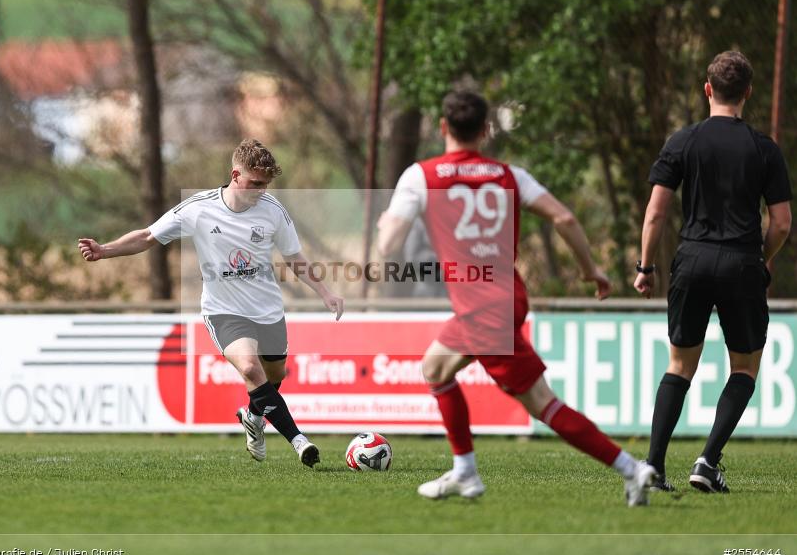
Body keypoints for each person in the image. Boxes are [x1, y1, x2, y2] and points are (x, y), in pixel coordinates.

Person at [377, 90, 657, 506]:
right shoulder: (509, 175)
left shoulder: (422, 176)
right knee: (435, 367)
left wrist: (387, 225)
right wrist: (589, 270)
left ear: (442, 128)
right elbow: (564, 216)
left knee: (543, 404)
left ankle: (632, 469)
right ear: (485, 130)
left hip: (481, 309)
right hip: (506, 296)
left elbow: (389, 246)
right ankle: (464, 471)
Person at [78, 138, 344, 468]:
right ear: (235, 175)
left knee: (276, 374)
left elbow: (295, 258)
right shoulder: (199, 208)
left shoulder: (274, 212)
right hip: (224, 311)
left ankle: (252, 415)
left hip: (268, 310)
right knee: (250, 368)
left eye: (266, 185)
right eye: (255, 183)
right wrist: (105, 249)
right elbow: (148, 236)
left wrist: (325, 293)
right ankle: (299, 441)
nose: (262, 190)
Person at [634, 51, 792, 493]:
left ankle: (653, 466)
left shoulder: (683, 141)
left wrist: (645, 267)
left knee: (680, 365)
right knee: (744, 367)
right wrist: (762, 258)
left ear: (708, 89)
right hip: (741, 261)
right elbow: (780, 222)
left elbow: (655, 215)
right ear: (747, 93)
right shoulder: (764, 149)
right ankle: (707, 459)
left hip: (692, 259)